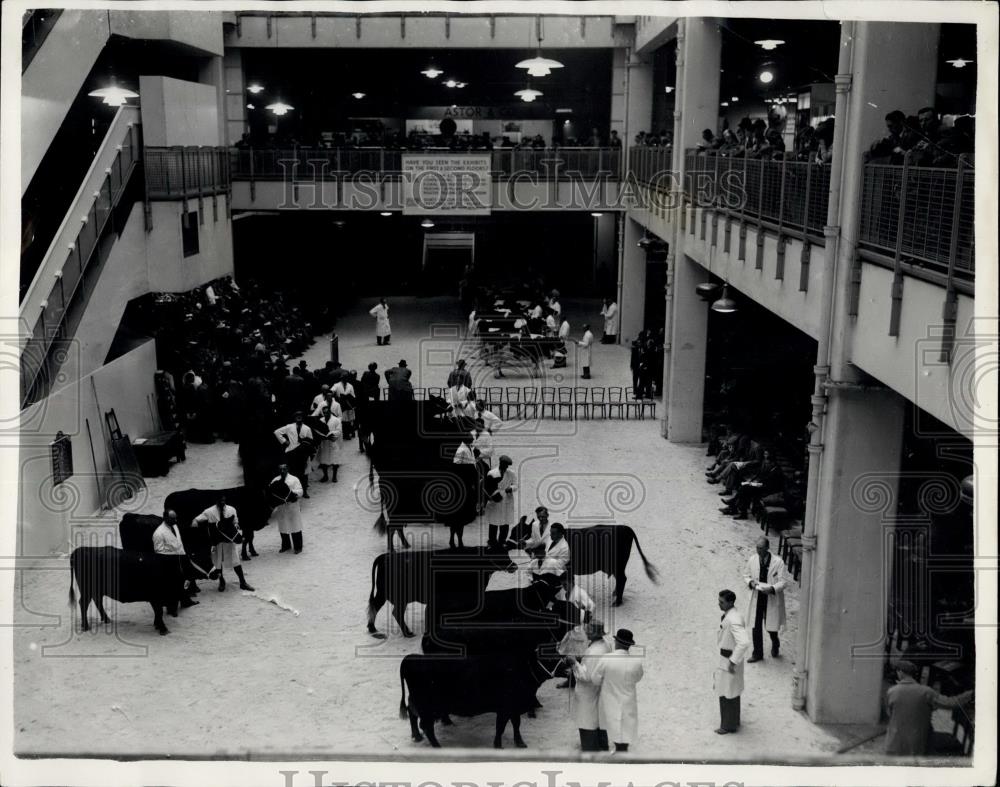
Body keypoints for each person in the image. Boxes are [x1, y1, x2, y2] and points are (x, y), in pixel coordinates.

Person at [884, 660, 974, 755]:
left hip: (894, 745)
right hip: (918, 745)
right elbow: (950, 703)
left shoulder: (891, 692)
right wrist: (969, 694)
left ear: (900, 672)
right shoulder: (927, 692)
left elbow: (890, 713)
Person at [577, 628, 643, 753]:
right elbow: (638, 677)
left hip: (610, 699)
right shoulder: (636, 661)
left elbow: (595, 679)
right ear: (629, 646)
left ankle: (614, 749)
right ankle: (622, 749)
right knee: (626, 726)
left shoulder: (606, 659)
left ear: (616, 642)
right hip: (628, 699)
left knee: (611, 724)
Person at [193, 495, 255, 592]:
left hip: (229, 542)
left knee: (236, 561)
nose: (222, 502)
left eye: (223, 500)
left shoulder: (231, 509)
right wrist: (195, 522)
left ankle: (243, 582)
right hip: (216, 542)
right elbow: (197, 519)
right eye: (220, 501)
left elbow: (236, 522)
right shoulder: (209, 511)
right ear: (216, 501)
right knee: (218, 563)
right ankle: (222, 581)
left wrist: (236, 526)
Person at [568, 621, 612, 750]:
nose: (586, 633)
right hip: (600, 687)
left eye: (588, 631)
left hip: (588, 690)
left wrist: (574, 663)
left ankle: (590, 746)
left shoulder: (594, 651)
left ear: (593, 633)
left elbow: (586, 676)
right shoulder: (606, 644)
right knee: (598, 717)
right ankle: (602, 744)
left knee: (586, 718)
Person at [742, 537, 787, 662]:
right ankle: (757, 653)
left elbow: (783, 581)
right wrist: (750, 582)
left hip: (771, 597)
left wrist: (772, 588)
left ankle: (775, 642)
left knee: (770, 626)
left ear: (767, 548)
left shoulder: (778, 562)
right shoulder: (753, 559)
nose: (758, 551)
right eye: (757, 547)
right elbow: (746, 574)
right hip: (757, 595)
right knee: (756, 625)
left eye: (761, 548)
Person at [715, 588, 750, 734]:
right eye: (719, 601)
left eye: (722, 602)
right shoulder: (732, 615)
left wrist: (733, 661)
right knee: (732, 691)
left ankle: (727, 726)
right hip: (728, 657)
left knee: (726, 692)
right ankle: (734, 720)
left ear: (730, 602)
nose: (719, 604)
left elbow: (743, 642)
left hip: (729, 659)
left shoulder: (733, 619)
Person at [152, 510, 198, 607]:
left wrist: (183, 556)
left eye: (176, 518)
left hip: (181, 559)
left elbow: (178, 542)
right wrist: (174, 556)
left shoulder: (175, 526)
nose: (176, 520)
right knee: (173, 586)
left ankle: (186, 601)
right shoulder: (158, 533)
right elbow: (159, 552)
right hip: (170, 564)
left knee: (185, 581)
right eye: (173, 519)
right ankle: (172, 608)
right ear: (165, 518)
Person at [274, 411, 314, 499]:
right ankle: (291, 491)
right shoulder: (289, 427)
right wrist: (285, 441)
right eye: (297, 416)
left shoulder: (307, 428)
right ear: (294, 418)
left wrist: (306, 447)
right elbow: (277, 432)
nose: (299, 417)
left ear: (303, 417)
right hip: (291, 453)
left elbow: (311, 441)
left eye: (300, 416)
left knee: (305, 473)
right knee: (293, 472)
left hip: (303, 454)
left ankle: (304, 491)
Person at [531, 522, 570, 604]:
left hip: (555, 576)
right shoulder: (550, 540)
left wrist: (545, 559)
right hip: (544, 571)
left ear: (560, 534)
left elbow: (560, 564)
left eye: (553, 533)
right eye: (550, 532)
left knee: (554, 600)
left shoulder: (564, 548)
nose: (550, 535)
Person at [269, 464, 304, 554]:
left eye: (284, 469)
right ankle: (286, 545)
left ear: (288, 469)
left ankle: (298, 547)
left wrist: (291, 495)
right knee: (283, 527)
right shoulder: (275, 480)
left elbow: (300, 490)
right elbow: (271, 492)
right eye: (280, 469)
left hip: (292, 507)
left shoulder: (294, 479)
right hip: (281, 508)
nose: (282, 471)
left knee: (295, 527)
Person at [483, 454, 517, 525]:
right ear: (500, 463)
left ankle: (503, 536)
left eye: (507, 465)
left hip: (507, 498)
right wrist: (489, 497)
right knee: (493, 522)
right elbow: (486, 487)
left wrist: (511, 488)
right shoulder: (492, 473)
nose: (506, 467)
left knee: (505, 522)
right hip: (495, 498)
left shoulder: (511, 473)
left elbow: (516, 485)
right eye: (504, 465)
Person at [315, 404, 343, 482]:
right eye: (324, 413)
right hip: (324, 443)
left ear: (330, 412)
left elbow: (339, 430)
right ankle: (325, 476)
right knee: (323, 460)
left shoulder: (336, 420)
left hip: (333, 442)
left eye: (327, 412)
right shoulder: (321, 420)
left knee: (335, 460)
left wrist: (331, 433)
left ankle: (334, 476)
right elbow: (317, 430)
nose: (326, 414)